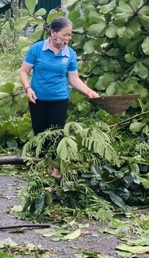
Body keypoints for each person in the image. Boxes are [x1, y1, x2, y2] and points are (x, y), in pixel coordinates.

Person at [18, 16, 99, 177]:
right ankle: (41, 167)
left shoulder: (70, 54)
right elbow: (23, 71)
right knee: (40, 134)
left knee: (56, 135)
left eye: (70, 35)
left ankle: (55, 169)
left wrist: (88, 91)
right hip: (37, 98)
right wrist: (28, 88)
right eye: (65, 34)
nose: (68, 38)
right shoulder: (37, 49)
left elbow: (74, 78)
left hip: (59, 99)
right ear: (53, 32)